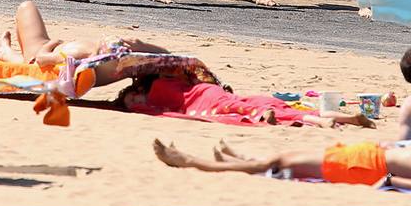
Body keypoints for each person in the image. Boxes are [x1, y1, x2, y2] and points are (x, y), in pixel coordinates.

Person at [152, 136, 411, 193]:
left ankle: (193, 162)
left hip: (372, 166)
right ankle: (243, 159)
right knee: (291, 159)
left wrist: (392, 179)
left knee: (281, 160)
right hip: (373, 156)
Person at [0, 0, 170, 87]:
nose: (114, 38)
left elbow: (41, 60)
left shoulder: (86, 53)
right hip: (54, 54)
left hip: (40, 52)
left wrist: (55, 42)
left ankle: (6, 53)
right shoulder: (124, 62)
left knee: (26, 7)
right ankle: (7, 52)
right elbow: (167, 55)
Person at [119, 75, 373, 129]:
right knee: (276, 108)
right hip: (211, 92)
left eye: (130, 97)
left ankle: (320, 120)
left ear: (135, 89)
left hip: (208, 100)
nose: (132, 103)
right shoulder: (168, 78)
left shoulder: (151, 95)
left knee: (247, 109)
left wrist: (133, 104)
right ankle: (341, 118)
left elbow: (156, 110)